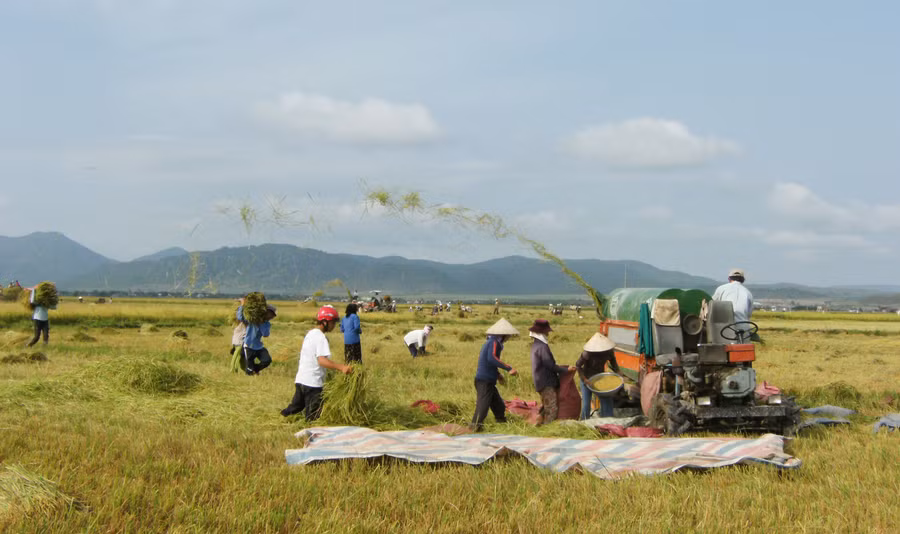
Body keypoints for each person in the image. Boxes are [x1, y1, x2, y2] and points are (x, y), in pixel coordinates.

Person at [281, 305, 353, 420]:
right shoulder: (321, 338)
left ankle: (282, 417)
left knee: (296, 407)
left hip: (301, 380)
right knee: (313, 415)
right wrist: (341, 367)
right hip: (313, 384)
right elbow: (322, 361)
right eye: (333, 322)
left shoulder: (310, 334)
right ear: (325, 322)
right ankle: (310, 432)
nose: (334, 325)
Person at [469, 318, 520, 431]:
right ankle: (475, 426)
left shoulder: (492, 342)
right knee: (483, 405)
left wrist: (498, 375)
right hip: (484, 380)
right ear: (504, 335)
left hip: (489, 380)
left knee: (498, 405)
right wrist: (509, 368)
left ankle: (501, 422)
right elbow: (492, 359)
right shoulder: (494, 342)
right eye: (509, 335)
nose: (509, 338)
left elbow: (490, 363)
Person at [529, 318, 574, 425]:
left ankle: (538, 423)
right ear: (542, 331)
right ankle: (547, 427)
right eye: (547, 331)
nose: (548, 333)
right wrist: (566, 370)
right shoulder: (542, 347)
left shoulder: (535, 345)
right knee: (552, 408)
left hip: (540, 380)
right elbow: (550, 365)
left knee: (546, 404)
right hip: (546, 381)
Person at [576, 333, 621, 419]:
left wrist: (618, 371)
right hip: (587, 379)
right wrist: (584, 379)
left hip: (600, 378)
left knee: (606, 401)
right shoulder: (587, 354)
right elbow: (578, 366)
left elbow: (613, 361)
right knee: (586, 405)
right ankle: (584, 422)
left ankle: (607, 421)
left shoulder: (608, 352)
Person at [235, 299, 276, 375]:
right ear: (265, 312)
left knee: (267, 360)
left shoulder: (267, 324)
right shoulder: (252, 320)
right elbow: (240, 317)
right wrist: (242, 305)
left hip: (259, 347)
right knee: (249, 370)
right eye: (271, 314)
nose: (272, 317)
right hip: (248, 346)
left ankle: (255, 369)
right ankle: (250, 372)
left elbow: (265, 334)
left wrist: (261, 323)